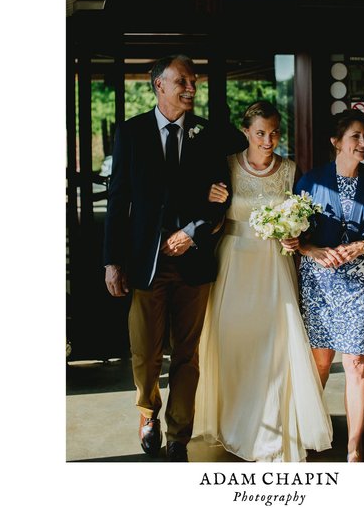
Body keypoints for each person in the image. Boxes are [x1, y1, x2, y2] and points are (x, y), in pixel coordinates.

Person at [102, 55, 230, 462]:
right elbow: (118, 199)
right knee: (146, 350)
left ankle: (179, 432)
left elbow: (220, 198)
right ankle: (147, 412)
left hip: (193, 262)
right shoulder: (131, 132)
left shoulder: (208, 134)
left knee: (187, 354)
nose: (191, 87)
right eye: (182, 80)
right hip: (145, 262)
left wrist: (190, 233)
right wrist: (112, 261)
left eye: (193, 80)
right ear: (158, 84)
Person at [193, 101, 332, 462]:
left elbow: (300, 218)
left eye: (273, 133)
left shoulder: (289, 169)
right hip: (234, 264)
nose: (268, 140)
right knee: (235, 344)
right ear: (246, 132)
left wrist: (295, 236)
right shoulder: (226, 166)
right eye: (260, 133)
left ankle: (273, 428)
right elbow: (207, 214)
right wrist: (207, 197)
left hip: (273, 266)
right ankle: (234, 420)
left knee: (276, 346)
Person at [292, 110, 364, 462]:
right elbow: (294, 239)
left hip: (361, 282)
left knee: (356, 363)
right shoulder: (310, 182)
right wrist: (311, 249)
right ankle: (307, 431)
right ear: (336, 142)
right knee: (320, 362)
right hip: (319, 282)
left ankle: (354, 445)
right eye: (356, 137)